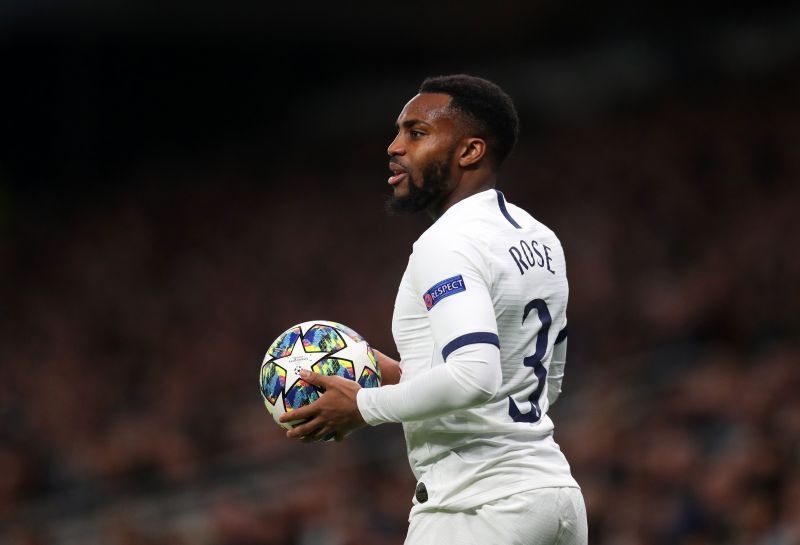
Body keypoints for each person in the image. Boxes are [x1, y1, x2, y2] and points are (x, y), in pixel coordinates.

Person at [281, 74, 587, 545]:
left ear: (470, 151)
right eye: (399, 131)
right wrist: (407, 375)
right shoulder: (539, 237)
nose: (394, 146)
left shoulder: (445, 243)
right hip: (554, 500)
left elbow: (475, 376)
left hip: (476, 510)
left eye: (416, 132)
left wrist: (362, 406)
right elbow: (543, 383)